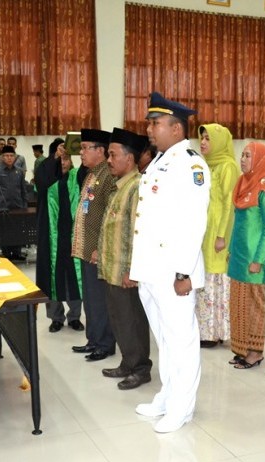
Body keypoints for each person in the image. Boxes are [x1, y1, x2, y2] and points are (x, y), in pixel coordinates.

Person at [131, 92, 210, 433]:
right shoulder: (162, 161)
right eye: (150, 122)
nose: (150, 128)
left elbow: (194, 222)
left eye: (156, 123)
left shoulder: (190, 164)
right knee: (164, 337)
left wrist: (183, 272)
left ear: (177, 129)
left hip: (174, 270)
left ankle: (182, 408)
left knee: (181, 340)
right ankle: (168, 394)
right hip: (152, 268)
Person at [99, 128, 153, 390]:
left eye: (113, 154)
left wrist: (133, 269)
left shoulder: (137, 187)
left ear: (129, 159)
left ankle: (141, 368)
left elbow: (138, 232)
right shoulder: (119, 187)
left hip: (126, 272)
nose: (109, 159)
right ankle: (127, 362)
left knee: (132, 319)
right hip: (112, 268)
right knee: (119, 318)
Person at [227, 142, 265, 369]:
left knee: (254, 304)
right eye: (242, 155)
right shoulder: (242, 183)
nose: (243, 159)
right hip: (239, 254)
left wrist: (259, 259)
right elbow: (238, 223)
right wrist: (231, 248)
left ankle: (255, 352)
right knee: (238, 302)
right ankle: (241, 348)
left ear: (259, 160)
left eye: (248, 156)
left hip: (254, 259)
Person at [70, 129, 118, 362]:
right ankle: (93, 339)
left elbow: (110, 217)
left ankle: (105, 343)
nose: (81, 152)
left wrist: (101, 247)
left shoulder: (107, 176)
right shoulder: (91, 174)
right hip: (85, 248)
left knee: (100, 299)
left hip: (97, 250)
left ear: (100, 151)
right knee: (90, 298)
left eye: (85, 147)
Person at [196, 123, 240, 349]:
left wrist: (222, 235)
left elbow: (228, 204)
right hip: (204, 232)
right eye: (202, 138)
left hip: (218, 234)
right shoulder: (204, 165)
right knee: (205, 281)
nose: (203, 142)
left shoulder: (228, 167)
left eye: (208, 138)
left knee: (216, 282)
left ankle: (215, 332)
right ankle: (206, 330)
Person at [40, 151, 84, 332]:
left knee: (74, 276)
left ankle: (74, 317)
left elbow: (86, 170)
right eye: (59, 160)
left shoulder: (76, 177)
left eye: (66, 159)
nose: (63, 163)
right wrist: (52, 161)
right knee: (53, 277)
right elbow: (39, 178)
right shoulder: (48, 180)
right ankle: (55, 318)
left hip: (73, 236)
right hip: (53, 237)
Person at [0, 145, 28, 260]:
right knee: (4, 229)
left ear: (15, 157)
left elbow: (23, 189)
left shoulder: (19, 171)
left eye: (11, 155)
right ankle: (6, 253)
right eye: (6, 156)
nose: (9, 158)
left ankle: (17, 252)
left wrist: (25, 205)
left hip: (18, 205)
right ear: (2, 157)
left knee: (18, 229)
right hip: (2, 206)